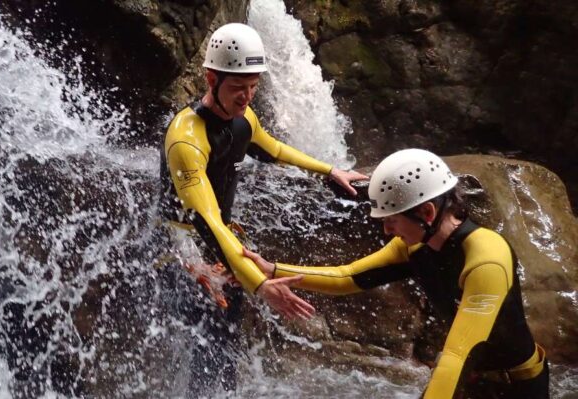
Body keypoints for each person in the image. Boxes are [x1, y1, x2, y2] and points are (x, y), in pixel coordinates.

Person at [158, 22, 368, 396]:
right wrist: (261, 284)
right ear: (210, 78)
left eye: (253, 86)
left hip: (218, 237)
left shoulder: (243, 119)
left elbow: (273, 149)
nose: (247, 96)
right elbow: (206, 221)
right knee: (207, 325)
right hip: (181, 244)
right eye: (239, 87)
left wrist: (329, 170)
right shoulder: (185, 138)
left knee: (226, 329)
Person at [243, 149, 549, 399]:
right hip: (469, 380)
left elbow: (457, 354)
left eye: (391, 220)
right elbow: (347, 277)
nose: (387, 230)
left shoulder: (486, 257)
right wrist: (272, 270)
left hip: (517, 387)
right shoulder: (416, 247)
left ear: (427, 213)